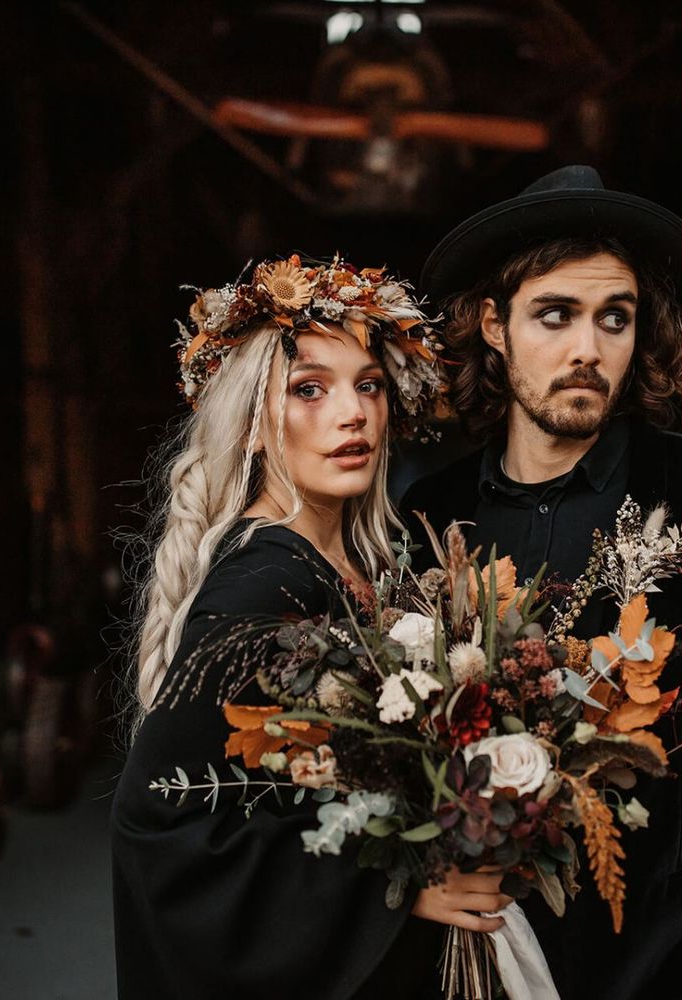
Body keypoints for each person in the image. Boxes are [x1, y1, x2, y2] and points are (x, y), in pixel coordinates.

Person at [402, 166, 682, 1000]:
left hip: (668, 974)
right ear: (494, 325)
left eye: (616, 319)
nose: (586, 350)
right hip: (476, 971)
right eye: (555, 314)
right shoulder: (431, 516)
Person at [110, 255, 512, 1000]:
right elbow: (159, 824)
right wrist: (394, 887)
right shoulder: (265, 582)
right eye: (308, 390)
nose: (352, 412)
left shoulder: (360, 564)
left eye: (368, 386)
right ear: (255, 427)